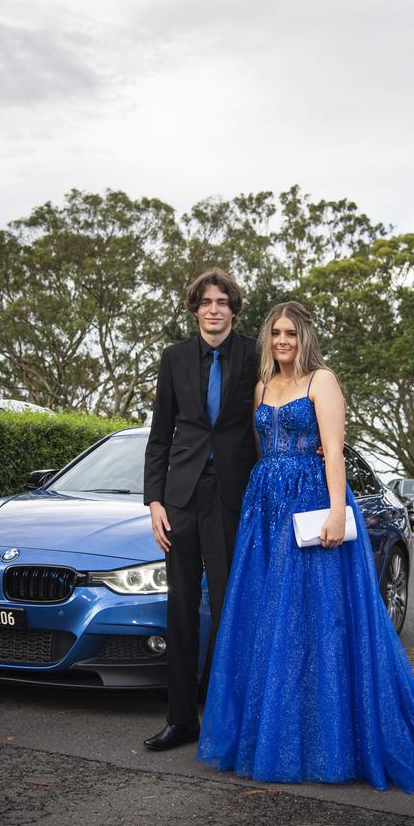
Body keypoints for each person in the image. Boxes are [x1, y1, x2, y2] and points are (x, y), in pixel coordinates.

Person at [197, 301, 414, 792]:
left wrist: (338, 510)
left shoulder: (323, 381)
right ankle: (276, 732)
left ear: (305, 338)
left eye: (291, 334)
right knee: (272, 622)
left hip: (313, 505)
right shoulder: (260, 386)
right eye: (275, 333)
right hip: (267, 511)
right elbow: (259, 452)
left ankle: (331, 738)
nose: (282, 341)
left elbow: (333, 450)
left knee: (318, 622)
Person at [142, 269, 258, 751]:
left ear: (233, 309)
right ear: (195, 309)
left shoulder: (255, 353)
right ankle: (181, 719)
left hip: (234, 496)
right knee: (182, 609)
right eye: (206, 302)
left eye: (222, 301)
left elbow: (283, 401)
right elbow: (160, 433)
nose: (214, 309)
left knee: (233, 607)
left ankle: (230, 720)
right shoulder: (173, 358)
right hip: (180, 498)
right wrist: (154, 500)